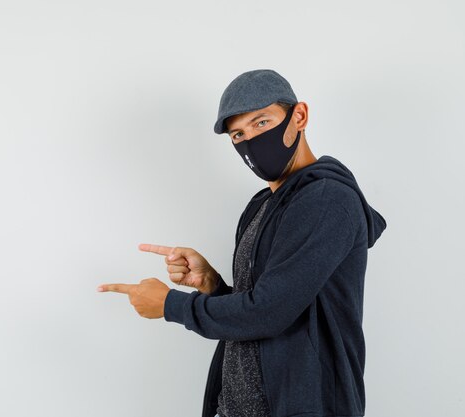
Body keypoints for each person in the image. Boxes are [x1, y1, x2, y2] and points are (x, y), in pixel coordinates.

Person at [97, 69, 387, 417]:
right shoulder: (261, 204)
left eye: (262, 123)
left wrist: (170, 305)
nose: (250, 140)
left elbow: (268, 312)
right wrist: (213, 286)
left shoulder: (326, 199)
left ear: (300, 116)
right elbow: (259, 307)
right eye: (238, 134)